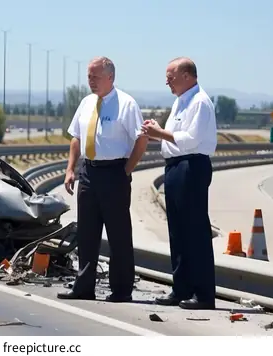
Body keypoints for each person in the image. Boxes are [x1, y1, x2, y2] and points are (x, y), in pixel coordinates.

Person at [57, 56, 149, 303]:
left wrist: (126, 170)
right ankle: (84, 287)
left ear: (110, 77)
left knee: (118, 234)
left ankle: (121, 290)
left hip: (114, 172)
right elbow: (76, 137)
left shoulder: (126, 104)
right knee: (87, 233)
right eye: (89, 76)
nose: (91, 81)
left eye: (95, 77)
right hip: (89, 172)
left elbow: (141, 140)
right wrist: (70, 169)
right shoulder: (87, 103)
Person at [141, 57, 218, 310]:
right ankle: (181, 287)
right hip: (175, 167)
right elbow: (173, 140)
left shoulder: (200, 102)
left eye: (170, 77)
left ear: (187, 75)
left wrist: (158, 132)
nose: (167, 82)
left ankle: (204, 294)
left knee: (195, 232)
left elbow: (190, 140)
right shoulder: (180, 102)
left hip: (191, 166)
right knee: (178, 232)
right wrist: (158, 132)